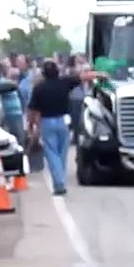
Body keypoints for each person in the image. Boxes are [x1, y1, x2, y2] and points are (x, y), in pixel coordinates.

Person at [27, 61, 97, 195]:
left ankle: (59, 183)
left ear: (43, 74)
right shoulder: (64, 82)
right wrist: (99, 75)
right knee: (62, 152)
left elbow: (32, 110)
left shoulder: (39, 88)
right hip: (63, 120)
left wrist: (32, 126)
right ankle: (61, 180)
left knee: (51, 152)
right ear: (57, 72)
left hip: (46, 122)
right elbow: (84, 77)